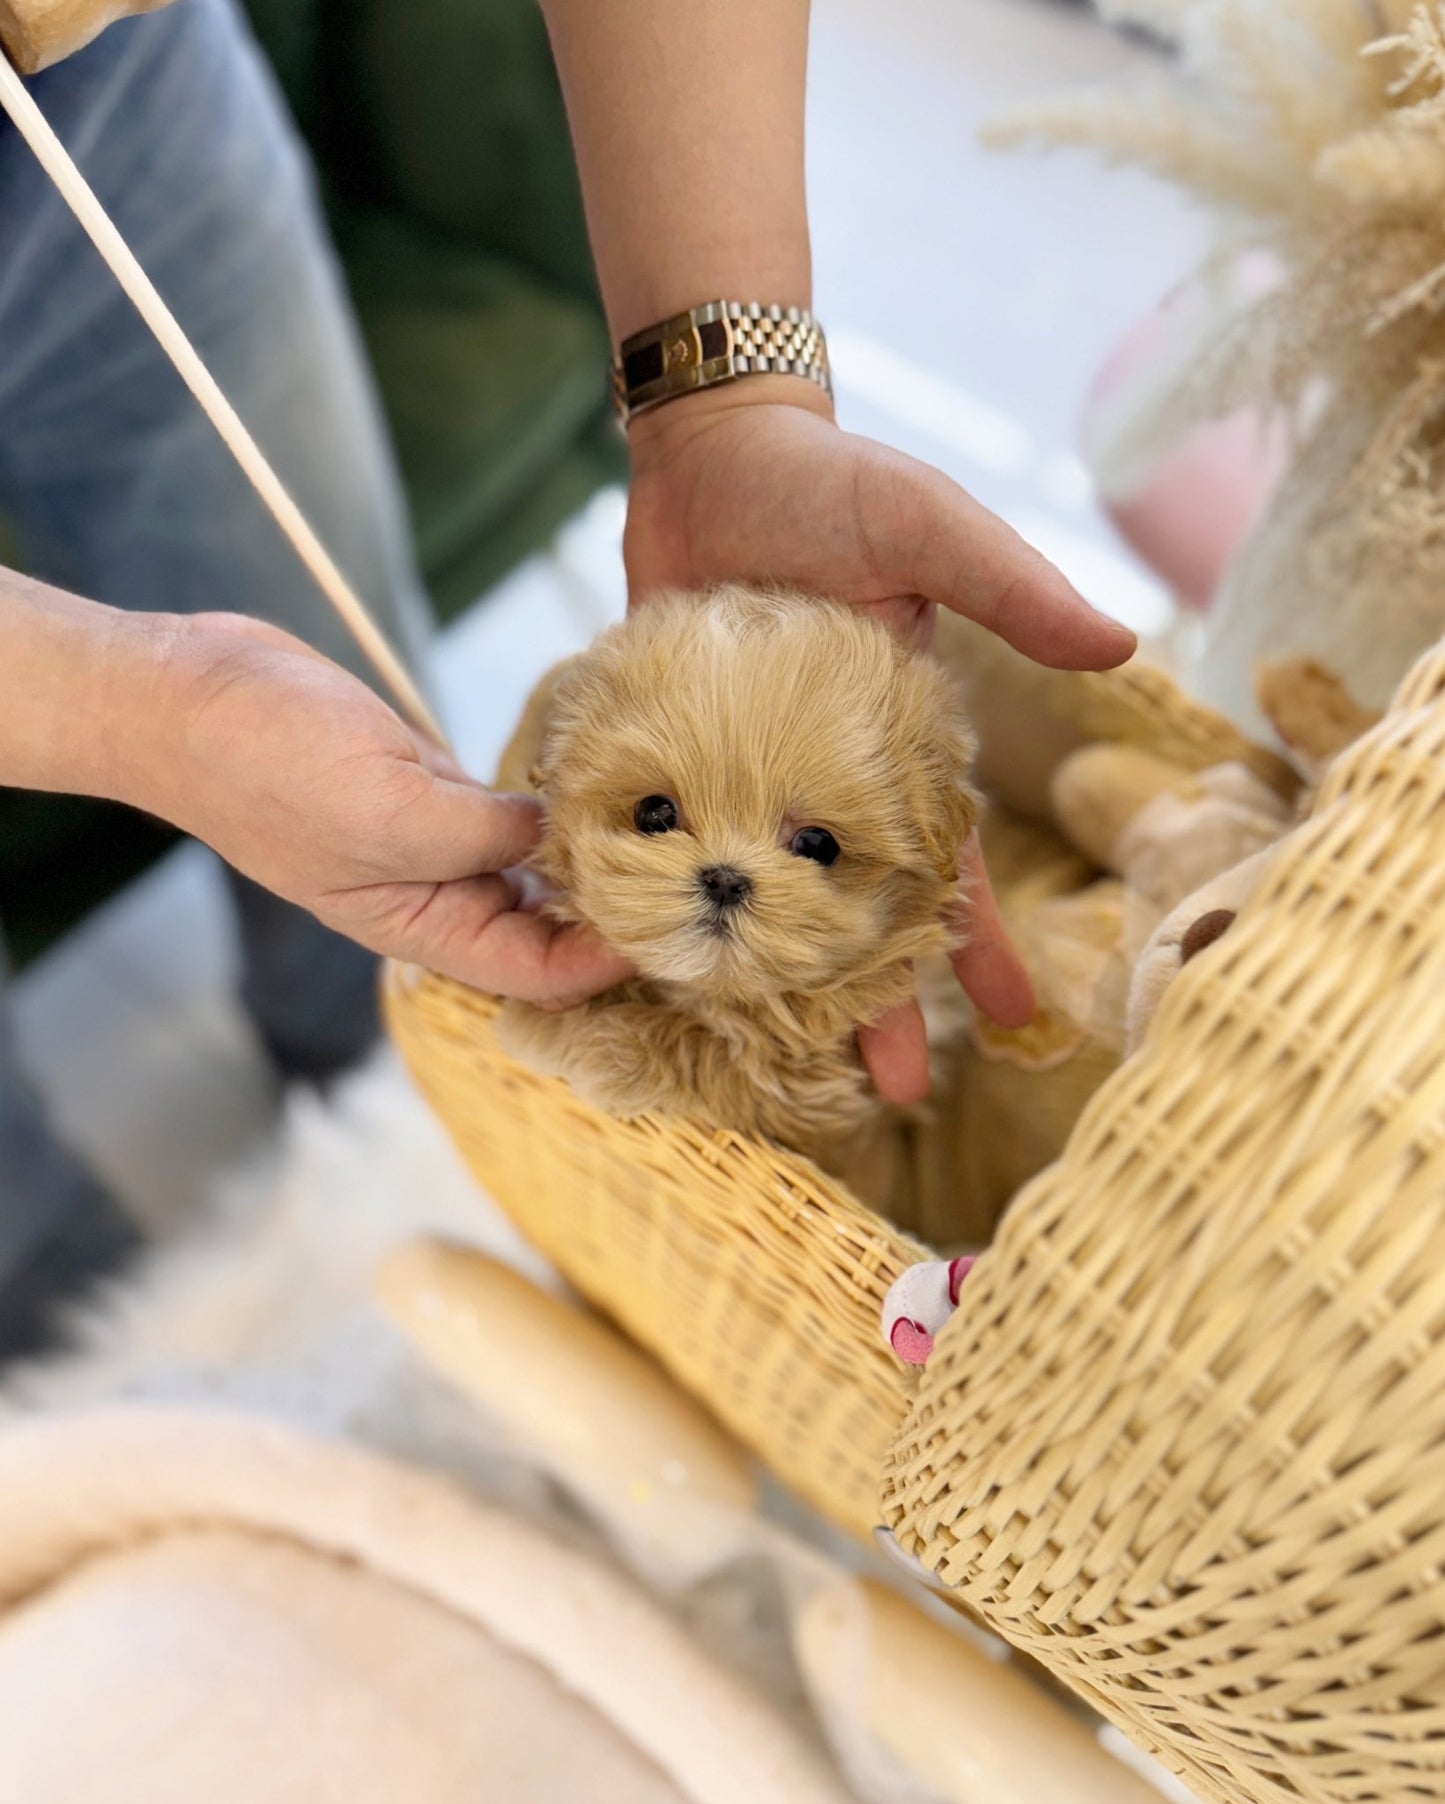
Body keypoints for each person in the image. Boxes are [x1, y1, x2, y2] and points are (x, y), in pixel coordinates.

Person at [0, 0, 1134, 1357]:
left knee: (331, 681)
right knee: (67, 1305)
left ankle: (377, 1076)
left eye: (814, 843)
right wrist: (146, 717)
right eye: (658, 820)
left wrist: (729, 409)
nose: (721, 875)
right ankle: (62, 1327)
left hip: (109, 85)